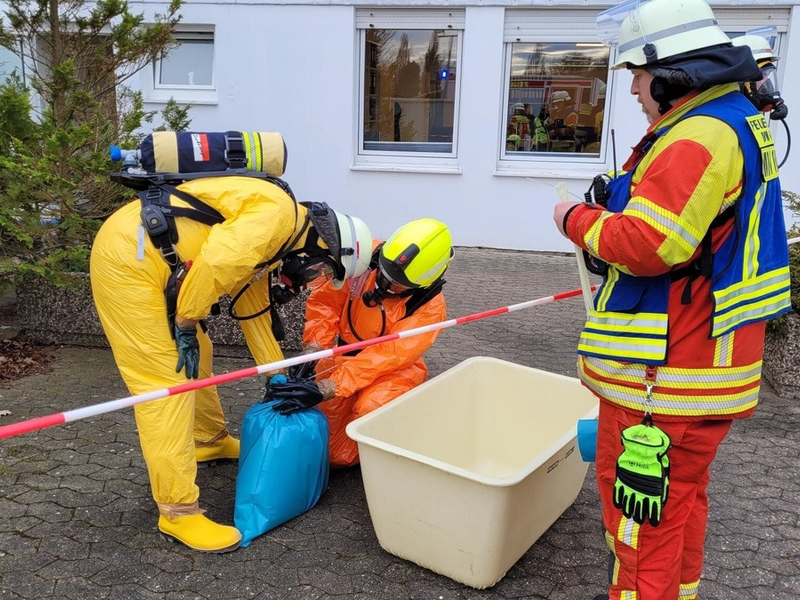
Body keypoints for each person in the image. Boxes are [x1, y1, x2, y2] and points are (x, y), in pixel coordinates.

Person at [552, 1, 791, 598]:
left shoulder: (698, 135)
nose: (631, 88)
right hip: (706, 367)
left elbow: (650, 243)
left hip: (666, 377)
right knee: (678, 505)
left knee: (639, 526)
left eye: (636, 73)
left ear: (670, 72)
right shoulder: (736, 118)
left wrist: (574, 218)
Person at [90, 174, 372, 552]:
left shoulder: (276, 241)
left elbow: (251, 306)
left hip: (147, 254)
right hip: (128, 260)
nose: (311, 281)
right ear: (322, 247)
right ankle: (178, 512)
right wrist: (187, 321)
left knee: (200, 353)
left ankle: (208, 441)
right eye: (322, 272)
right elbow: (216, 264)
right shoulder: (275, 216)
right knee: (164, 384)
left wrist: (276, 376)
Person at [265, 218, 453, 467]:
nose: (383, 282)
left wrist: (332, 386)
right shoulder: (361, 259)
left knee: (369, 409)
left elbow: (388, 356)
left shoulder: (429, 308)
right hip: (345, 356)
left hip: (394, 369)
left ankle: (385, 451)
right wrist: (314, 349)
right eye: (383, 273)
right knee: (327, 442)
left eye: (395, 283)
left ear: (421, 284)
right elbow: (326, 303)